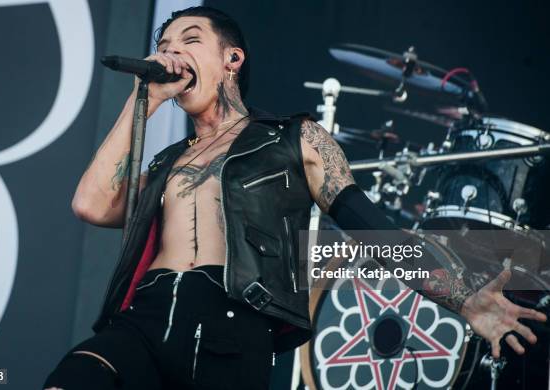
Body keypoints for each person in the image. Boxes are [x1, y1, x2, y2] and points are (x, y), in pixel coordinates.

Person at [43, 6, 546, 390]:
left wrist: (464, 299)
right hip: (145, 321)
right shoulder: (166, 162)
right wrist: (144, 97)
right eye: (165, 43)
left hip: (231, 325)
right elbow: (91, 203)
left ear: (231, 59)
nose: (172, 52)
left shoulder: (294, 137)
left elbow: (373, 230)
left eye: (190, 40)